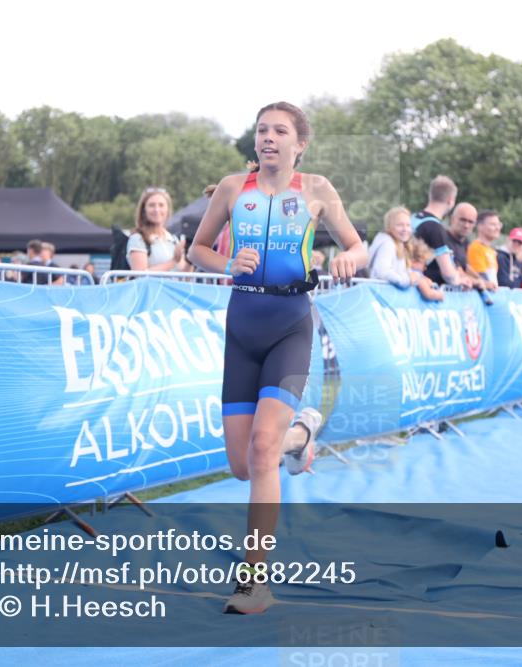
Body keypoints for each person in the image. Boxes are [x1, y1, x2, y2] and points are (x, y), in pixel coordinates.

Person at [187, 101, 367, 615]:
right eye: (262, 129)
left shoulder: (316, 190)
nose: (268, 137)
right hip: (242, 326)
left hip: (291, 325)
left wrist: (346, 258)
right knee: (243, 465)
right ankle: (303, 436)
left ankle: (255, 582)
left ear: (299, 144)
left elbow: (357, 246)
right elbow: (197, 250)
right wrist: (228, 262)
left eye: (279, 131)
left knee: (263, 451)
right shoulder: (231, 188)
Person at [368, 206, 443, 301]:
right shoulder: (387, 244)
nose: (405, 229)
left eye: (408, 225)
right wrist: (408, 280)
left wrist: (420, 278)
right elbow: (382, 271)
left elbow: (401, 272)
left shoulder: (399, 244)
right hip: (379, 297)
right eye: (400, 225)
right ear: (389, 227)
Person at [414, 200, 479, 289]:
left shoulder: (465, 242)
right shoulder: (442, 237)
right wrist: (478, 283)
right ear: (452, 219)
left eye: (470, 222)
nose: (466, 225)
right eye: (462, 220)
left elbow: (465, 266)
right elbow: (456, 270)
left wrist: (481, 279)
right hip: (432, 290)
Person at [128, 188, 191, 273]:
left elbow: (184, 276)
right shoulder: (137, 239)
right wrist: (173, 262)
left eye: (161, 205)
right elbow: (140, 275)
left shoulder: (174, 240)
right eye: (151, 205)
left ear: (168, 210)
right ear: (143, 210)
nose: (157, 210)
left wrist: (190, 260)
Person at [466, 209, 502, 290]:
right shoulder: (475, 248)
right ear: (480, 226)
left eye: (499, 224)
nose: (497, 228)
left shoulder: (492, 251)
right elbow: (481, 277)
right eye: (493, 224)